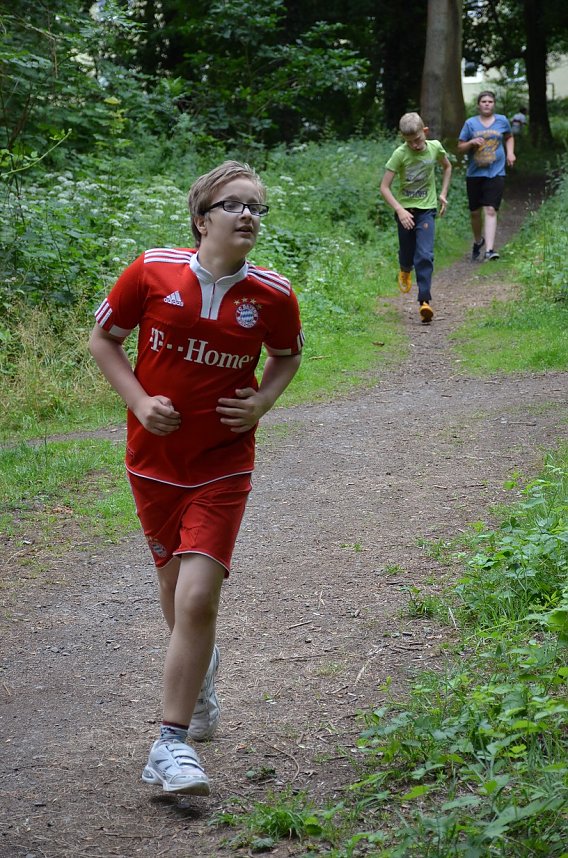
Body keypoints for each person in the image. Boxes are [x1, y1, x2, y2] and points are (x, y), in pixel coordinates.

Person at [88, 160, 303, 796]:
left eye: (258, 208)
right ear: (202, 216)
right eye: (234, 205)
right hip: (153, 465)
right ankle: (201, 678)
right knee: (175, 591)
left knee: (197, 598)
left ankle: (169, 744)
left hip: (223, 463)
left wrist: (262, 401)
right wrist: (138, 401)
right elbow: (104, 340)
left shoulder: (273, 294)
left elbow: (288, 357)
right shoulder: (152, 270)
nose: (248, 216)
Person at [380, 112, 452, 324]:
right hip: (405, 210)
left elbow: (447, 167)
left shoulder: (435, 147)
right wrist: (400, 210)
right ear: (403, 138)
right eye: (409, 142)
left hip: (426, 210)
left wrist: (443, 194)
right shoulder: (400, 154)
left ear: (425, 132)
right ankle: (404, 269)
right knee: (407, 253)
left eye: (418, 140)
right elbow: (384, 187)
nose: (415, 146)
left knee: (425, 255)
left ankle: (424, 302)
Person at [458, 91, 516, 262]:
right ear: (478, 104)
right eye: (484, 101)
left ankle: (490, 250)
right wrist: (471, 143)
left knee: (490, 209)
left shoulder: (502, 121)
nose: (487, 104)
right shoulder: (470, 123)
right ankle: (478, 241)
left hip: (496, 172)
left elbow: (509, 137)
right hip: (475, 173)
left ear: (494, 104)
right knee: (475, 212)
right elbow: (460, 147)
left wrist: (510, 153)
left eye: (490, 101)